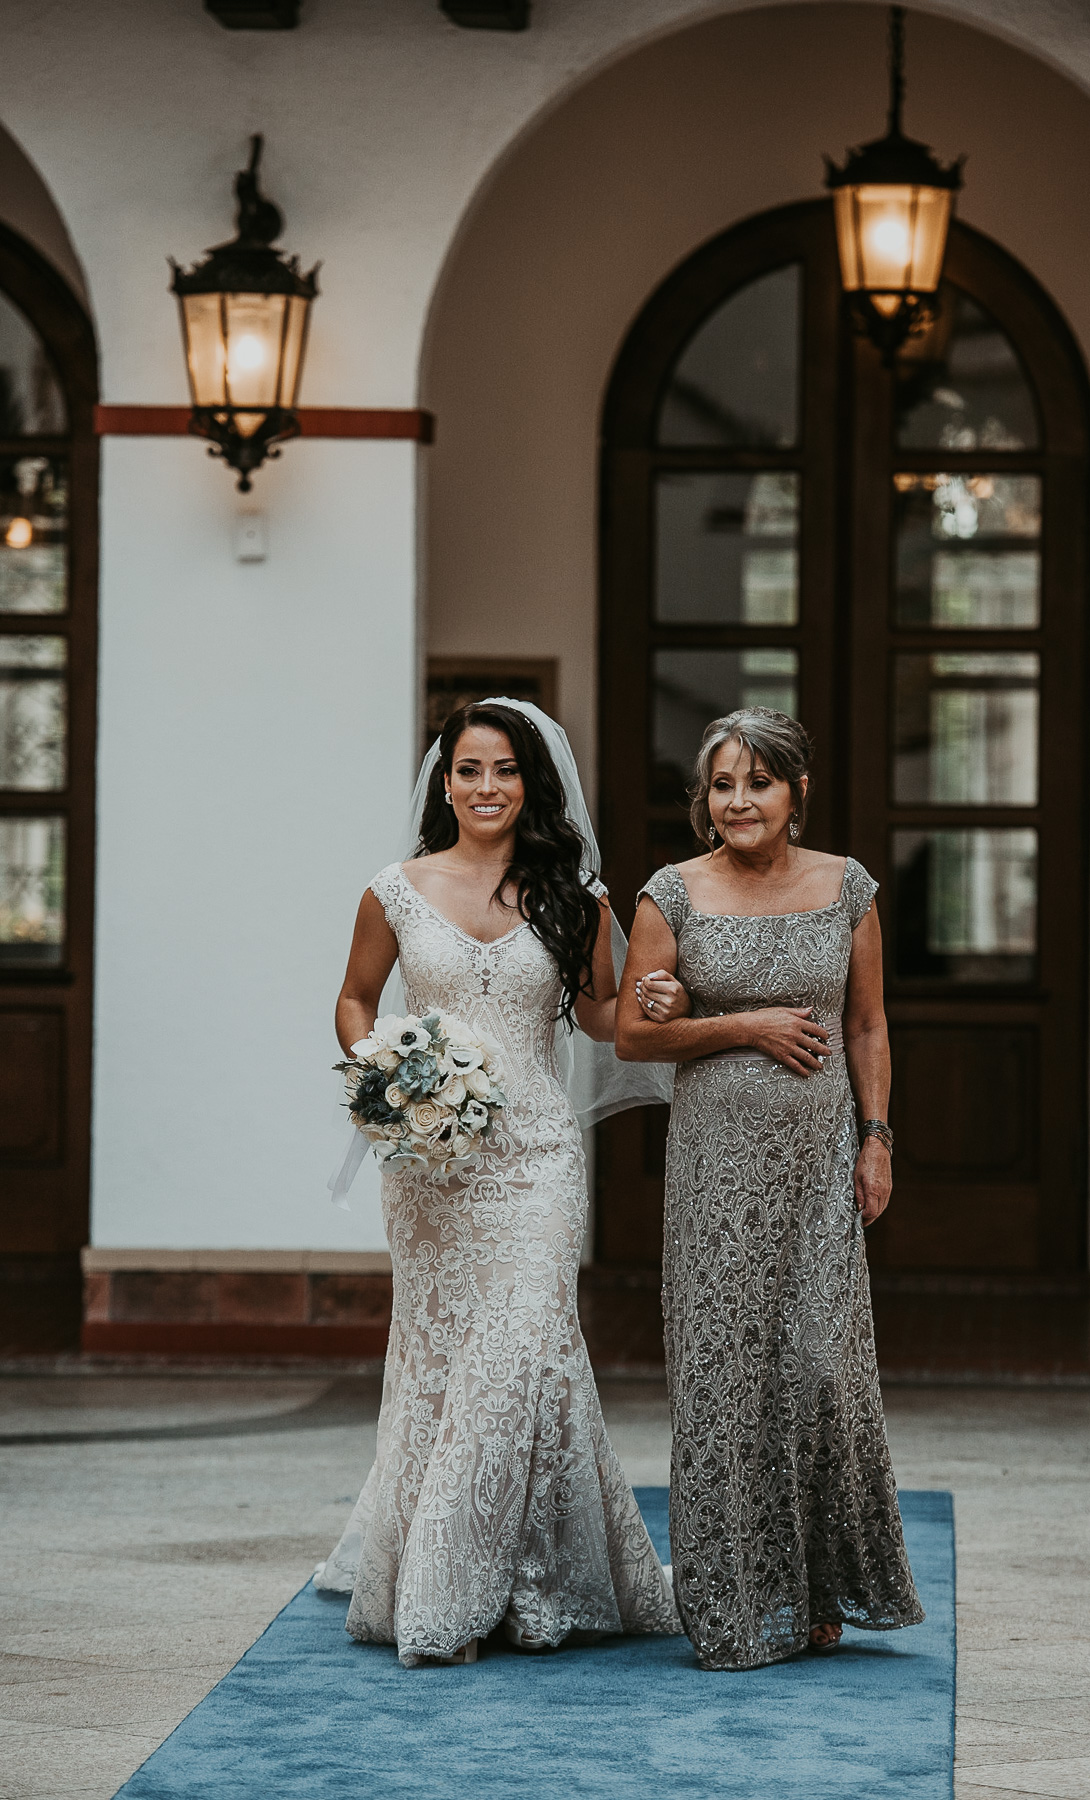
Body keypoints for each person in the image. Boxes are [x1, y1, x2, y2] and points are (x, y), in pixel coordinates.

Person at [317, 699, 682, 1666]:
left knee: (521, 1345)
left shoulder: (576, 895)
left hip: (536, 1164)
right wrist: (384, 1075)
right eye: (471, 770)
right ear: (445, 782)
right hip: (432, 1169)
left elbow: (604, 1023)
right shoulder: (393, 891)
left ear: (534, 786)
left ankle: (449, 1594)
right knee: (446, 1364)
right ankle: (537, 1578)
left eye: (507, 771)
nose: (488, 788)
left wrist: (652, 997)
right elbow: (355, 999)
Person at [615, 706, 924, 1672]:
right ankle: (735, 1606)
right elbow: (633, 1034)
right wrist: (739, 1025)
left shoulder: (847, 888)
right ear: (704, 800)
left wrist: (875, 1138)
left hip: (820, 1164)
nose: (739, 801)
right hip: (714, 1169)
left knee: (822, 1371)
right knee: (725, 1375)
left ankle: (820, 1587)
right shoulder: (671, 895)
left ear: (797, 791)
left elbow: (868, 1026)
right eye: (722, 784)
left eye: (758, 782)